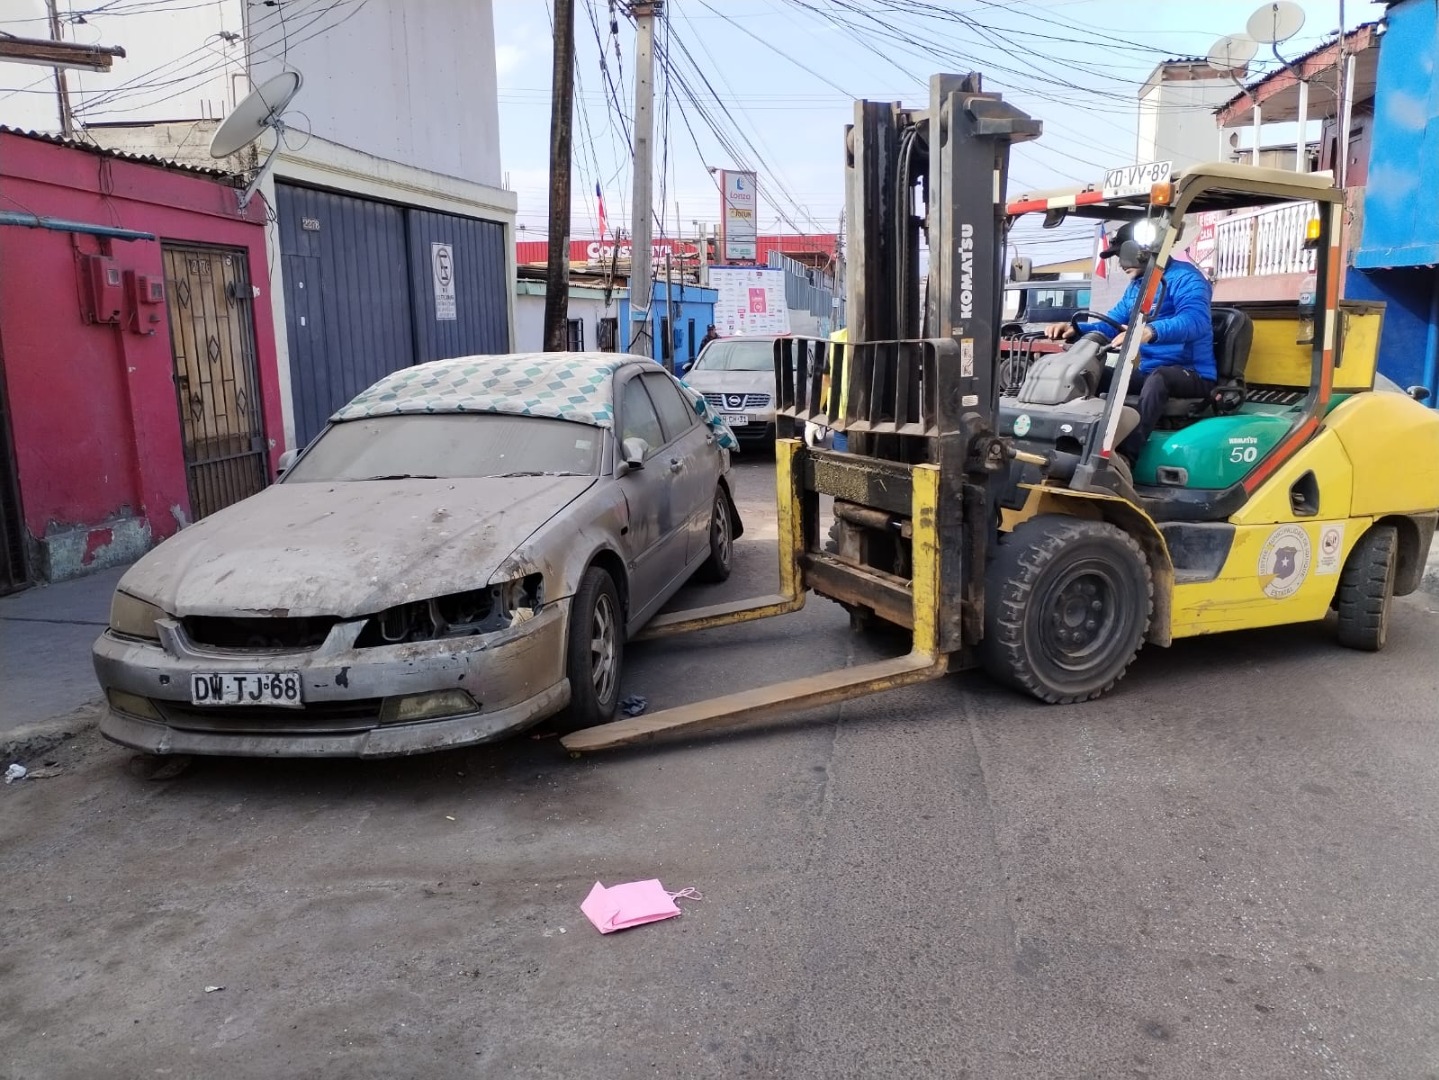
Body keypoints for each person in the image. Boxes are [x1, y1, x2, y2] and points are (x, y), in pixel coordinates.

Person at [1043, 221, 1216, 464]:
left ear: (1142, 251)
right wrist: (1075, 329)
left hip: (1195, 375)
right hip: (1151, 373)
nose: (1119, 264)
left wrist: (1149, 331)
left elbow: (1195, 320)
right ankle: (1070, 444)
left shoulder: (1186, 279)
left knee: (1161, 378)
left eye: (1120, 256)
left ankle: (1126, 457)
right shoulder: (1137, 288)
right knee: (1090, 372)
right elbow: (1110, 323)